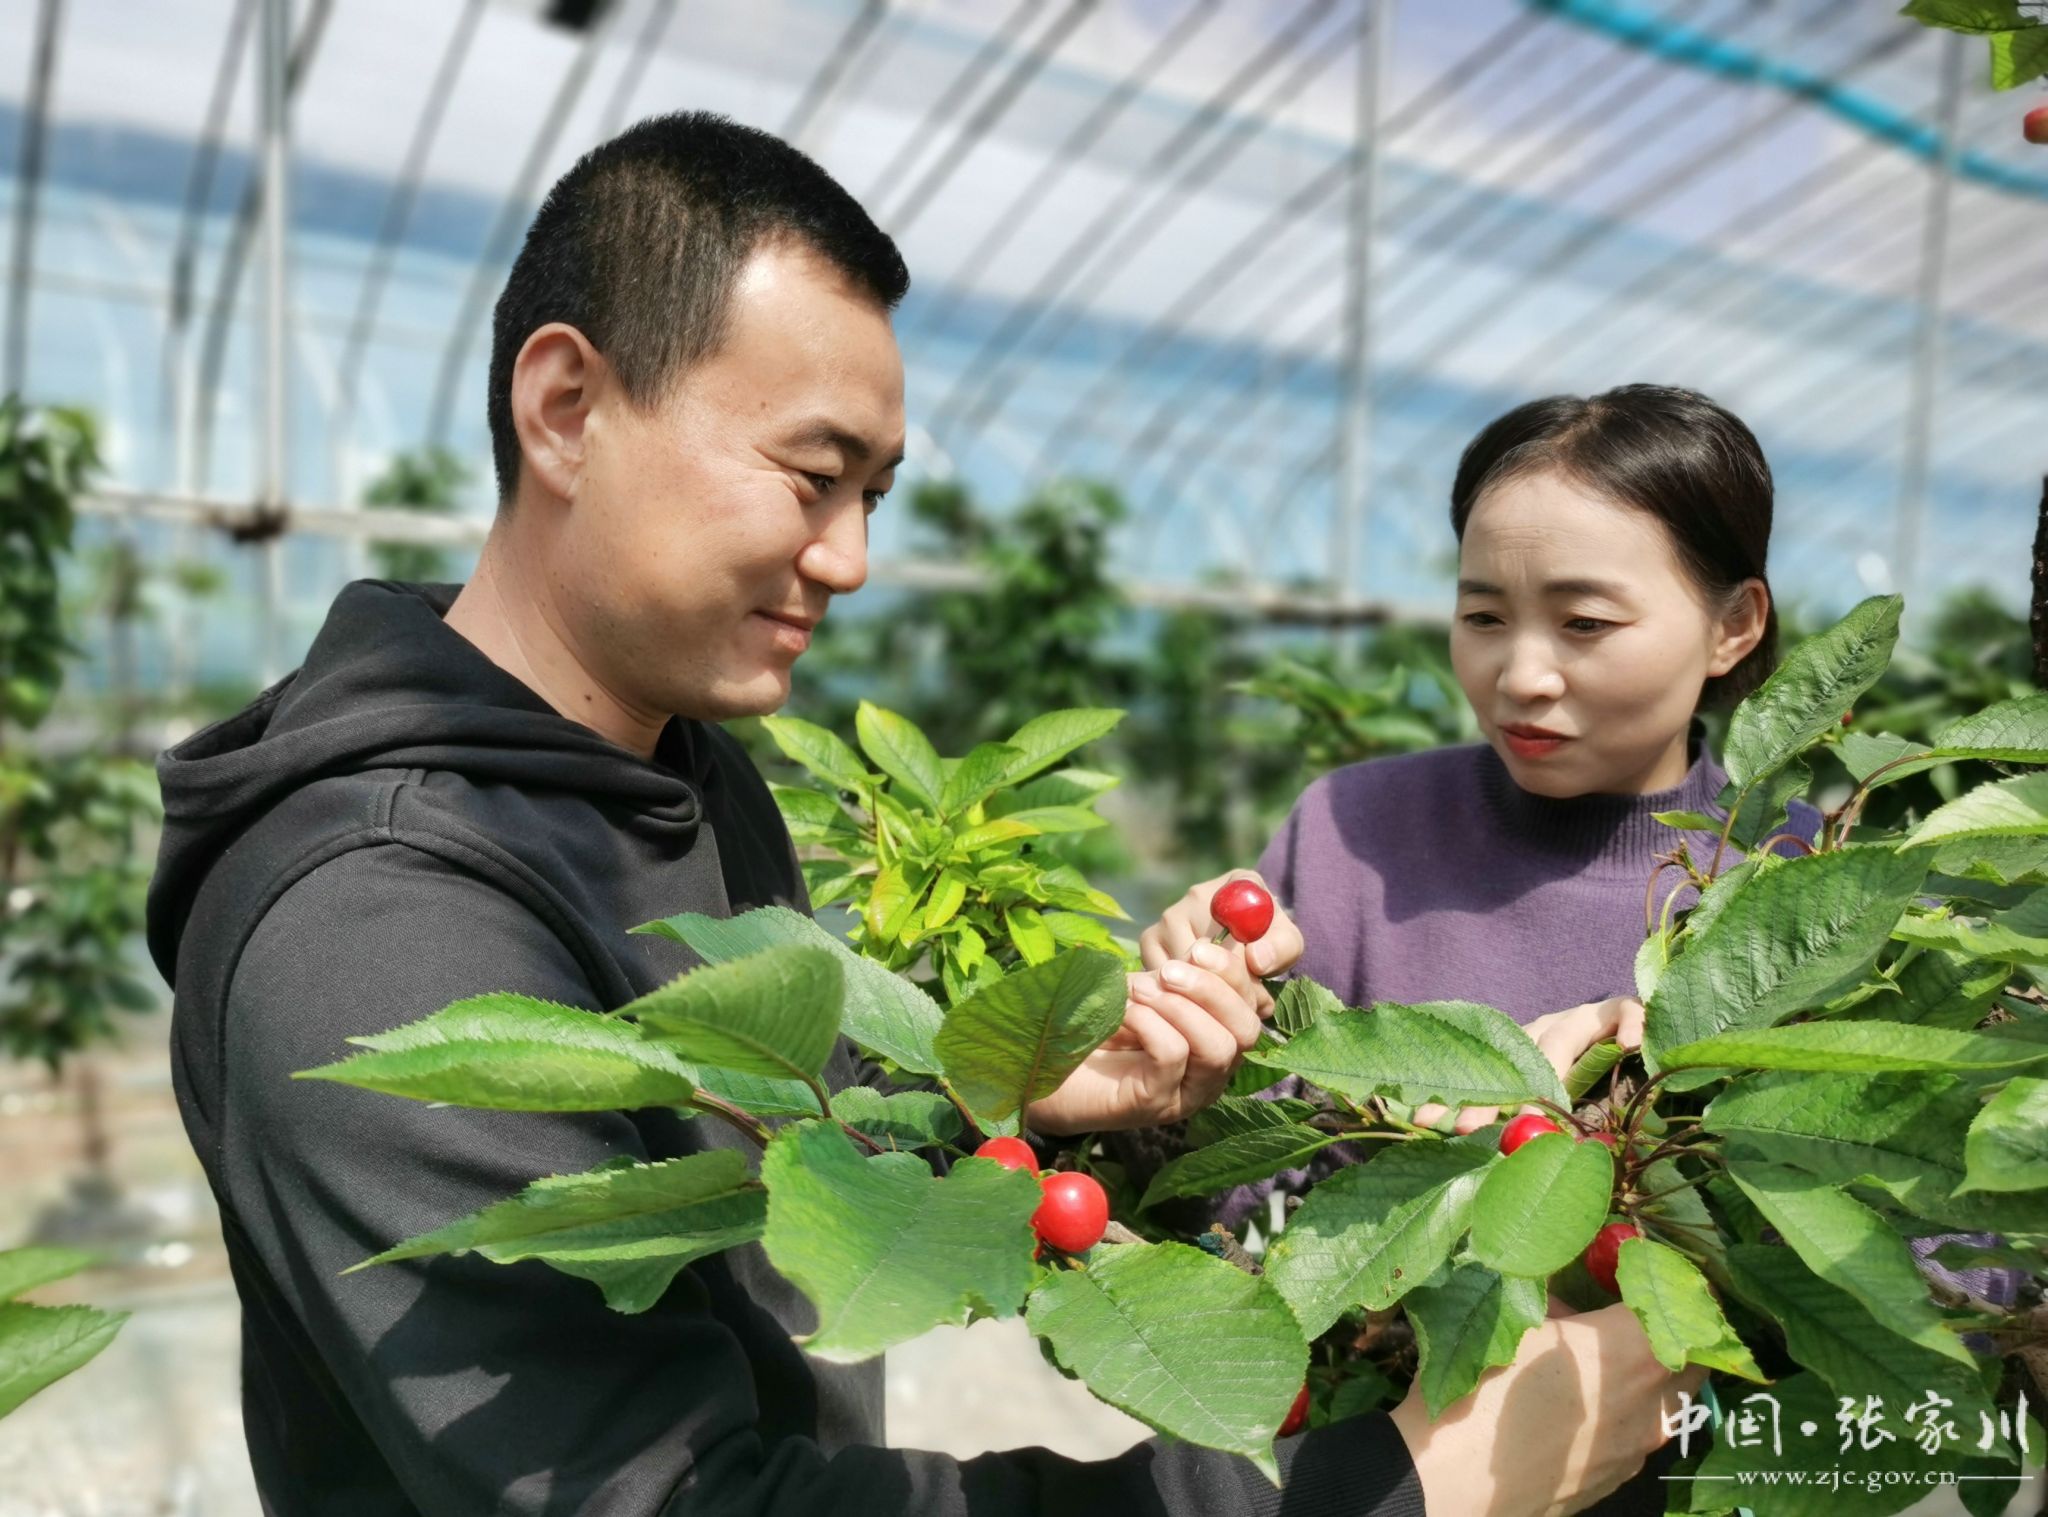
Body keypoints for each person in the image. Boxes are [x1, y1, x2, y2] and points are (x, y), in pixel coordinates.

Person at [147, 114, 1685, 1517]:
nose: (851, 558)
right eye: (812, 477)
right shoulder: (373, 927)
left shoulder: (678, 768)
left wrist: (1016, 1097)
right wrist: (1391, 1492)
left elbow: (760, 1153)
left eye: (873, 495)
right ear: (563, 408)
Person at [1145, 384, 2013, 1513]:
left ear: (1733, 625)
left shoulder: (1815, 895)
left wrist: (1696, 1116)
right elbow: (1251, 1217)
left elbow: (1957, 1265)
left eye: (1584, 622)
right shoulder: (1352, 834)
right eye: (1483, 614)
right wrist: (1179, 1067)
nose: (1521, 674)